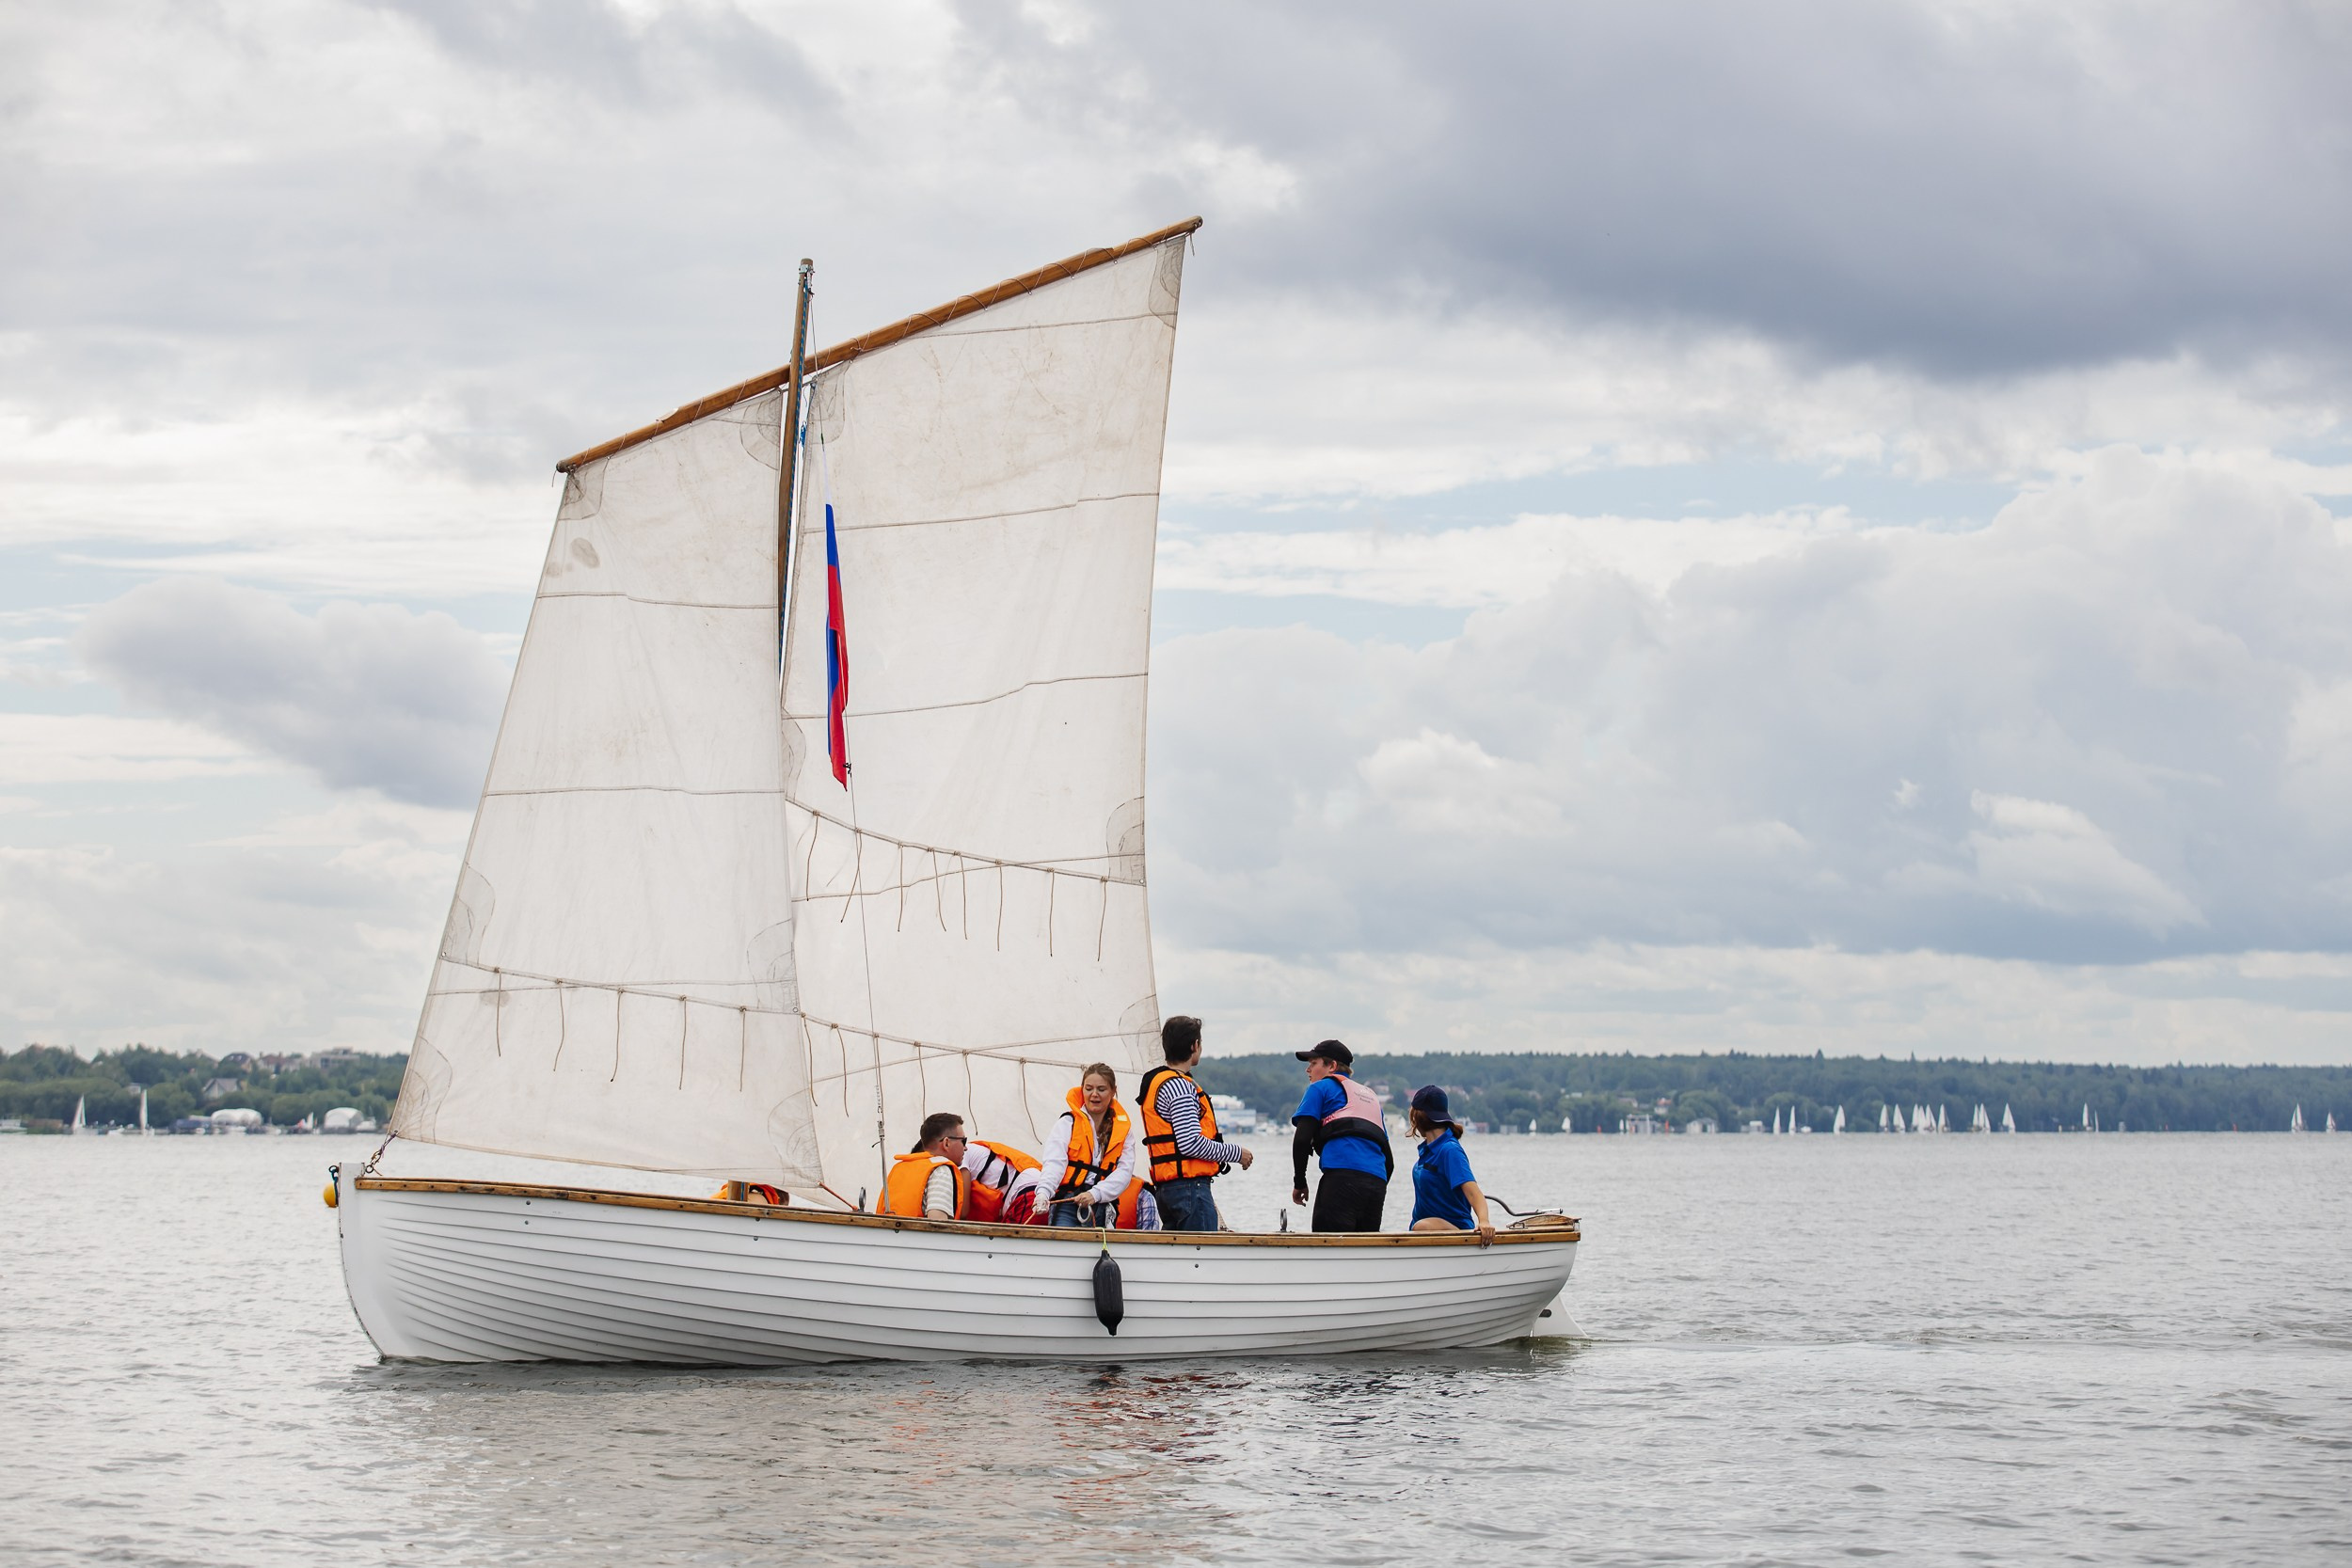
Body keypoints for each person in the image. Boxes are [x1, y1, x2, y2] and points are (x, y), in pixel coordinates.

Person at [1137, 1015, 1254, 1232]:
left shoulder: (1158, 1083)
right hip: (1189, 1190)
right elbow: (1190, 1143)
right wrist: (1238, 1153)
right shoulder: (1180, 1087)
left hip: (1168, 1189)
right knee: (1200, 1258)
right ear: (1195, 1045)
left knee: (1179, 1258)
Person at [1288, 1039, 1393, 1232]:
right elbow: (1389, 1162)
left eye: (1313, 1064)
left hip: (1341, 1180)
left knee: (1328, 1252)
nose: (1308, 1070)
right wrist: (1373, 1186)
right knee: (1364, 1254)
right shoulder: (1371, 1096)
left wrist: (1300, 1182)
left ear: (1332, 1066)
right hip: (1376, 1185)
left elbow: (1302, 1140)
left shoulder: (1319, 1088)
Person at [1037, 1062, 1142, 1227]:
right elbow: (1054, 1162)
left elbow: (1124, 1171)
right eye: (1089, 1089)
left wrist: (1096, 1194)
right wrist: (1043, 1192)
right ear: (1082, 1089)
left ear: (1113, 1091)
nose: (1094, 1095)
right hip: (1067, 1205)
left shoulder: (1124, 1131)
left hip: (1102, 1207)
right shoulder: (1067, 1123)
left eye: (1101, 1089)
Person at [1406, 1086, 1494, 1241]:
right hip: (1423, 1237)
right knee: (1419, 1226)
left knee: (1420, 1227)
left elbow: (1473, 1192)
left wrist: (1484, 1222)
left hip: (1454, 1233)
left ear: (1418, 1116)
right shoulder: (1427, 1151)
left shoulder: (1450, 1150)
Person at [880, 1112, 973, 1220]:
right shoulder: (941, 1171)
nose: (965, 1148)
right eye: (963, 1141)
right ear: (946, 1143)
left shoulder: (900, 1168)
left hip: (889, 1235)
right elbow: (937, 1224)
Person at [961, 1135, 1041, 1222]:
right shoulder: (969, 1152)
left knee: (1019, 1235)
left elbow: (963, 1211)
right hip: (1029, 1191)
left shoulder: (960, 1155)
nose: (964, 1147)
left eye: (963, 1141)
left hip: (1027, 1192)